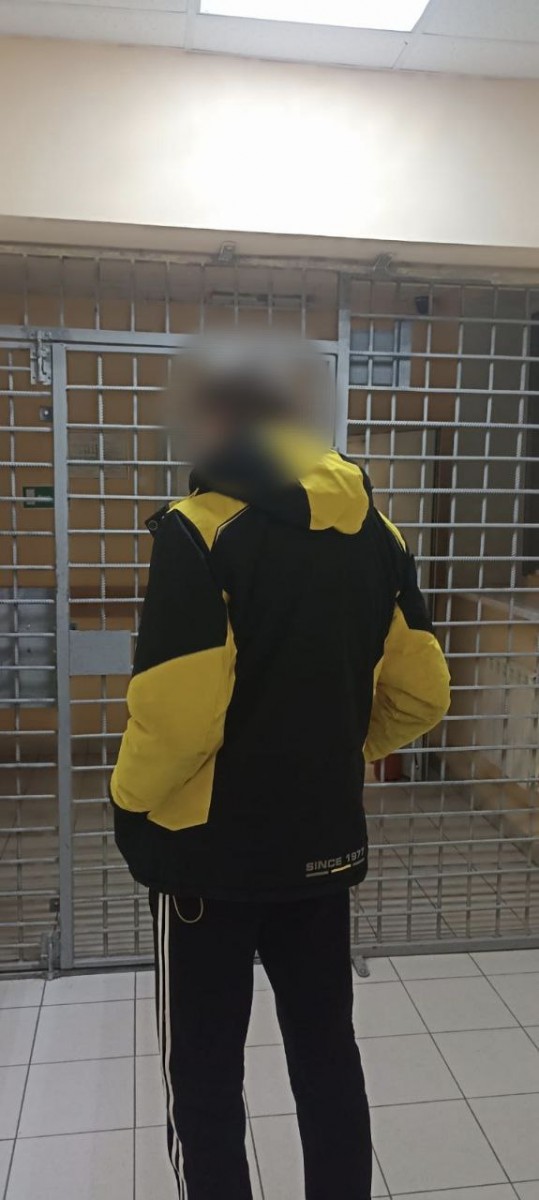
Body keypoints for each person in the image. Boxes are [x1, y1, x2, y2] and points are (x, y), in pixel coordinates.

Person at [110, 357, 450, 1200]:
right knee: (326, 1054)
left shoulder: (197, 531)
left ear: (219, 426)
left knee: (203, 1075)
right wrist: (339, 748)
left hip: (205, 861)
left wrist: (129, 801)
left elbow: (180, 718)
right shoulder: (379, 535)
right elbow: (422, 693)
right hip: (323, 844)